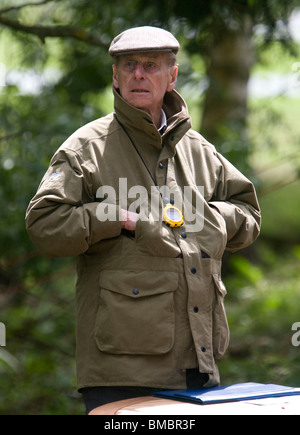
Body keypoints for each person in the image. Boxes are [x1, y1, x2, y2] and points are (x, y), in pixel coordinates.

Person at [25, 26, 261, 414]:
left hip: (198, 365)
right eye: (128, 65)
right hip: (120, 371)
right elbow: (44, 226)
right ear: (115, 77)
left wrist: (205, 218)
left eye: (150, 65)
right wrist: (116, 217)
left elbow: (249, 212)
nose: (138, 74)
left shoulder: (199, 150)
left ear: (172, 76)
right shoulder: (86, 148)